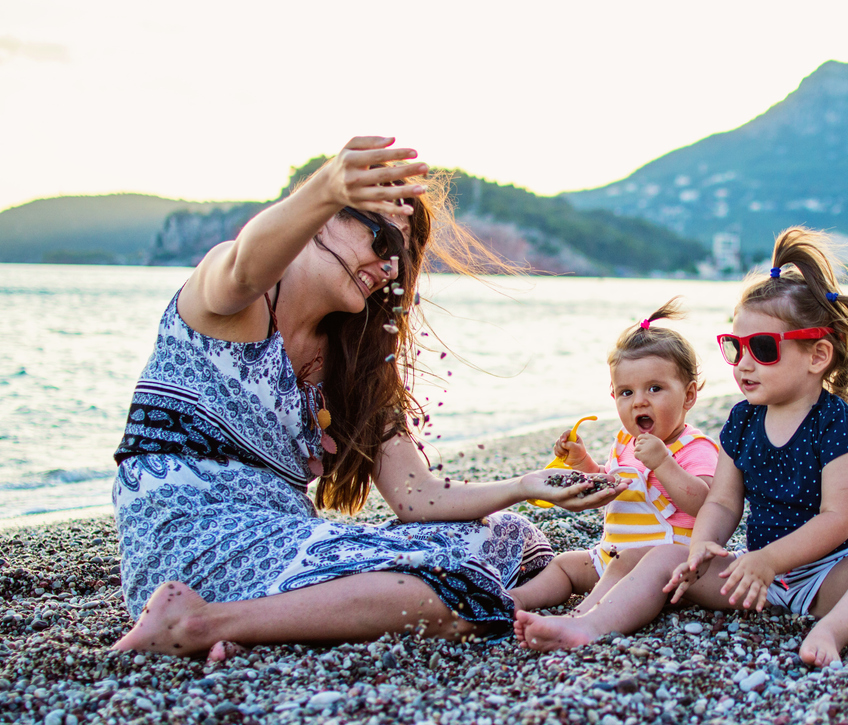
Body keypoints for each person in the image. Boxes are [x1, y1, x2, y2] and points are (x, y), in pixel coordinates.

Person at [110, 136, 620, 659]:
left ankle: (261, 624)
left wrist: (524, 484)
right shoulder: (236, 298)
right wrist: (327, 186)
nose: (393, 268)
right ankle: (196, 621)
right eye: (383, 241)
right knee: (446, 594)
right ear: (322, 219)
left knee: (513, 538)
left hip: (283, 535)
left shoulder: (353, 358)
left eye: (404, 256)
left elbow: (415, 496)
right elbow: (243, 263)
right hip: (187, 538)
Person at [516, 227, 848, 667]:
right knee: (663, 556)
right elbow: (722, 502)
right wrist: (702, 548)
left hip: (832, 575)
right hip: (759, 577)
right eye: (736, 348)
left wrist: (769, 560)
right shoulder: (744, 420)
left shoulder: (837, 427)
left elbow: (837, 520)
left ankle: (833, 629)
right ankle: (587, 627)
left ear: (817, 356)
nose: (745, 364)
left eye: (764, 349)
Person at [509, 299, 719, 613]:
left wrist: (663, 463)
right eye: (627, 392)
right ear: (613, 395)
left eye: (655, 388)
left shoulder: (694, 448)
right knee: (565, 564)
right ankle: (515, 601)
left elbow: (705, 505)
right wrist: (582, 464)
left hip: (665, 568)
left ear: (688, 395)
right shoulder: (624, 443)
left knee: (625, 565)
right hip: (612, 554)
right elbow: (613, 491)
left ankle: (581, 617)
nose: (639, 402)